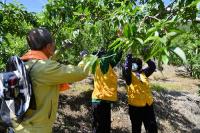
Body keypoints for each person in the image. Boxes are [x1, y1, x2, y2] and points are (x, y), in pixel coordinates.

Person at [14, 27, 90, 133]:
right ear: (49, 46)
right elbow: (81, 72)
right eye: (53, 44)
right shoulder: (46, 69)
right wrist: (87, 58)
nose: (55, 46)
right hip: (37, 129)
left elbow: (45, 61)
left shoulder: (24, 63)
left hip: (20, 126)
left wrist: (62, 49)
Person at [122, 54, 158, 133]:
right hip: (135, 107)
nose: (136, 65)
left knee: (152, 128)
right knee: (136, 128)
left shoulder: (143, 73)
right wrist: (129, 57)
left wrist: (146, 57)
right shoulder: (129, 74)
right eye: (134, 64)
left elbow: (152, 67)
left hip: (148, 105)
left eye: (138, 63)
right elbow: (126, 69)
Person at [91, 48, 122, 133]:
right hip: (99, 100)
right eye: (104, 55)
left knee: (105, 126)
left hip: (104, 100)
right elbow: (107, 58)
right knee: (99, 128)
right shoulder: (101, 64)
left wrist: (121, 45)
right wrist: (114, 46)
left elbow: (117, 58)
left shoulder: (108, 65)